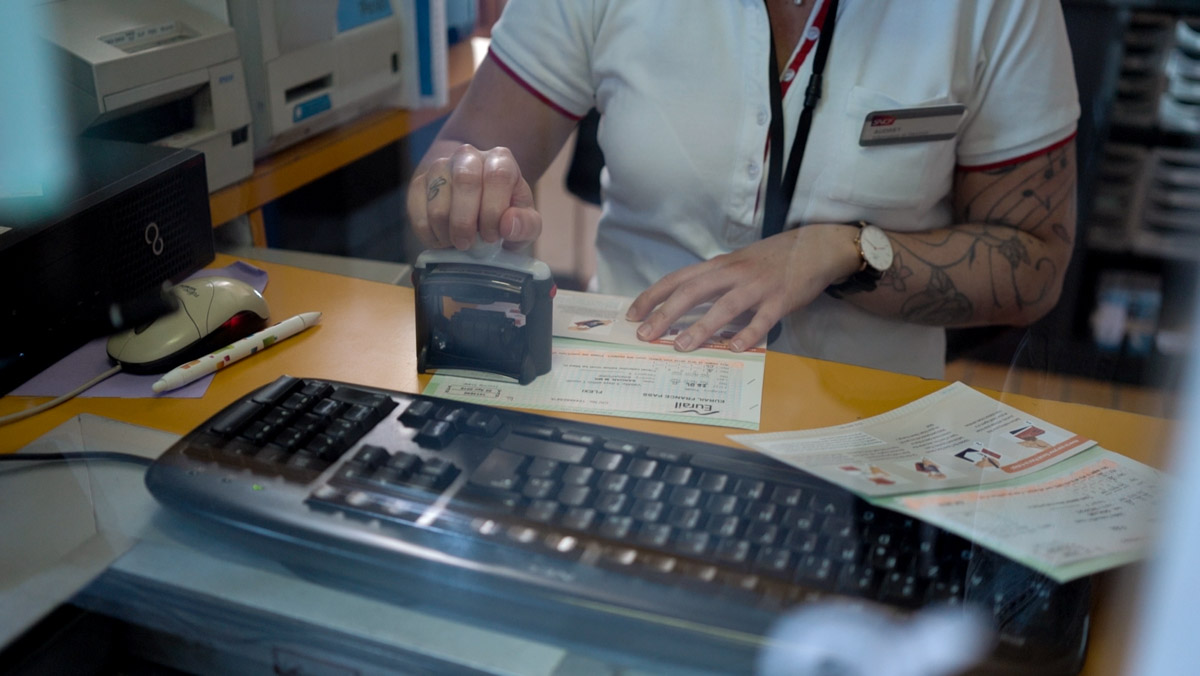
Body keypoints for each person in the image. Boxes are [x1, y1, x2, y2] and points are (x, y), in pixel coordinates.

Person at [405, 0, 1080, 379]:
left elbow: (1036, 264)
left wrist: (844, 251)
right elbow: (459, 153)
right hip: (627, 404)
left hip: (865, 438)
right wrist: (460, 189)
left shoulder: (998, 9)